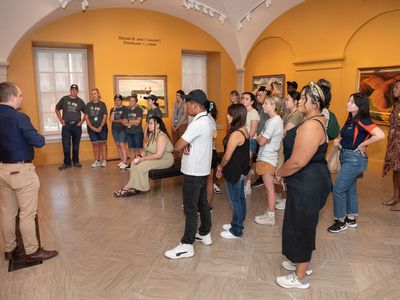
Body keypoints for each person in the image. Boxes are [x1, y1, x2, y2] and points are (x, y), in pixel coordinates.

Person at [275, 82, 331, 289]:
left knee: (302, 226)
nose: (299, 100)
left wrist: (278, 173)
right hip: (304, 179)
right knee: (296, 222)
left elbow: (298, 161)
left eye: (303, 98)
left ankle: (300, 277)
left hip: (309, 182)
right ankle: (299, 261)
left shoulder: (311, 125)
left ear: (314, 102)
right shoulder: (314, 120)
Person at [0, 82, 58, 263]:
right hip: (21, 171)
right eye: (20, 95)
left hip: (2, 169)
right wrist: (38, 135)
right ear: (11, 97)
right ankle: (32, 251)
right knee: (27, 214)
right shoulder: (19, 118)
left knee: (7, 212)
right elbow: (38, 141)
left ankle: (9, 249)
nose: (21, 98)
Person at [165, 89, 213, 260]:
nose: (185, 106)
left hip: (193, 171)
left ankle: (187, 245)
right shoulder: (207, 119)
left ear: (193, 105)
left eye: (186, 103)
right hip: (201, 170)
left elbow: (178, 145)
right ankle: (205, 233)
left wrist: (179, 146)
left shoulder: (197, 123)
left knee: (190, 208)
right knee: (202, 203)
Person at [328, 93, 385, 232]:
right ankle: (351, 218)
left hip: (354, 160)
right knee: (350, 189)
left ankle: (340, 221)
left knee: (338, 190)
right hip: (347, 158)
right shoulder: (351, 121)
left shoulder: (363, 120)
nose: (348, 103)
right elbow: (343, 136)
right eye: (348, 101)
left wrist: (363, 144)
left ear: (360, 106)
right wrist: (337, 140)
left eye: (352, 102)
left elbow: (380, 135)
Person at [114, 116, 174, 197]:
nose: (149, 125)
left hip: (165, 159)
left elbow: (159, 155)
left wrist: (142, 159)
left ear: (158, 125)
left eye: (151, 124)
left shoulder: (162, 136)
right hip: (154, 157)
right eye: (149, 123)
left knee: (141, 166)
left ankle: (128, 187)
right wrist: (139, 156)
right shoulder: (151, 135)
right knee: (133, 163)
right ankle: (135, 187)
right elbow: (146, 150)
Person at [216, 104, 249, 238]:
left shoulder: (236, 134)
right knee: (240, 199)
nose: (227, 116)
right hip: (240, 170)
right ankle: (238, 222)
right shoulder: (243, 129)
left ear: (236, 116)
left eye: (230, 114)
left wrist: (220, 167)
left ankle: (237, 230)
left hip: (234, 170)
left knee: (235, 201)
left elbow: (227, 156)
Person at [254, 96, 283, 226]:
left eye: (266, 103)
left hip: (268, 157)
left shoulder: (274, 121)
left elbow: (261, 140)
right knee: (268, 188)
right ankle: (270, 211)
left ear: (273, 105)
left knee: (269, 188)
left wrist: (261, 138)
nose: (263, 105)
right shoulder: (270, 120)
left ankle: (271, 216)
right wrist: (261, 138)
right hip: (265, 156)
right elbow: (261, 139)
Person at [275, 91, 303, 210]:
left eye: (288, 100)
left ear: (295, 102)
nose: (285, 102)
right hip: (284, 146)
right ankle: (286, 197)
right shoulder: (288, 113)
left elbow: (285, 130)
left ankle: (288, 200)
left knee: (288, 173)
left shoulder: (297, 115)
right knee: (282, 172)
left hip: (291, 148)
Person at [55, 84, 86, 170]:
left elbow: (86, 113)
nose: (74, 91)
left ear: (78, 91)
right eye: (72, 90)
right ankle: (67, 163)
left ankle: (76, 161)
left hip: (76, 126)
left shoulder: (80, 101)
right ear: (70, 90)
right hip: (66, 126)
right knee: (66, 145)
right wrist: (61, 119)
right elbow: (57, 108)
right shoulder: (64, 99)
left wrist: (81, 122)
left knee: (76, 145)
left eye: (75, 90)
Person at [383, 80, 400, 210]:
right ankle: (395, 197)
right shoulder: (396, 105)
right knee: (395, 171)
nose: (394, 89)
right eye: (394, 87)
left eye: (397, 87)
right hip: (394, 143)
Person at [241, 92, 260, 195]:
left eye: (247, 98)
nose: (244, 100)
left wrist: (244, 141)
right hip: (241, 140)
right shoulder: (242, 111)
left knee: (247, 163)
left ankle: (247, 184)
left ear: (252, 101)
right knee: (242, 163)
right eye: (243, 98)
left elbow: (252, 131)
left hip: (249, 141)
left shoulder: (254, 113)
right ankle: (242, 183)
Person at [251, 86, 270, 188]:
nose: (258, 97)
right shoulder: (259, 106)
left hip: (266, 137)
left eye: (260, 95)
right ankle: (261, 177)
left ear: (266, 94)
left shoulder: (268, 107)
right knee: (259, 157)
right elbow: (251, 100)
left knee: (263, 159)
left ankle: (263, 178)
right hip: (259, 137)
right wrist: (255, 93)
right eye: (257, 95)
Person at [85, 88, 108, 168]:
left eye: (95, 93)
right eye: (92, 94)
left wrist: (100, 126)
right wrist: (91, 127)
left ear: (98, 95)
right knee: (95, 144)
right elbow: (86, 117)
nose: (94, 95)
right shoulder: (88, 105)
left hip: (102, 128)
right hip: (92, 129)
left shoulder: (102, 104)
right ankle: (97, 161)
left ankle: (104, 160)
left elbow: (105, 116)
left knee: (103, 144)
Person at [206, 101, 219, 210]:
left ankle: (208, 205)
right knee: (208, 181)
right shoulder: (210, 118)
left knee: (208, 181)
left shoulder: (208, 119)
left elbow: (214, 135)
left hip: (209, 153)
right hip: (210, 152)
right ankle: (206, 205)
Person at [123, 94, 144, 163]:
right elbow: (124, 122)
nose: (131, 102)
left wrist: (129, 121)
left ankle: (141, 164)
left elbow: (138, 122)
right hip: (129, 133)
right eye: (130, 101)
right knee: (131, 149)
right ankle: (132, 165)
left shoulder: (139, 110)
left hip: (137, 133)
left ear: (136, 102)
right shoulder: (127, 110)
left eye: (133, 101)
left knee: (139, 149)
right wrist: (132, 122)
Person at [110, 94, 129, 170]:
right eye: (115, 100)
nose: (117, 101)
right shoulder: (112, 109)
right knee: (118, 145)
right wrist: (114, 110)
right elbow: (111, 120)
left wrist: (116, 120)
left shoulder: (125, 109)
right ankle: (122, 160)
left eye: (118, 100)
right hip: (114, 129)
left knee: (122, 145)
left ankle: (125, 162)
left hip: (123, 129)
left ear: (121, 101)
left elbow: (124, 120)